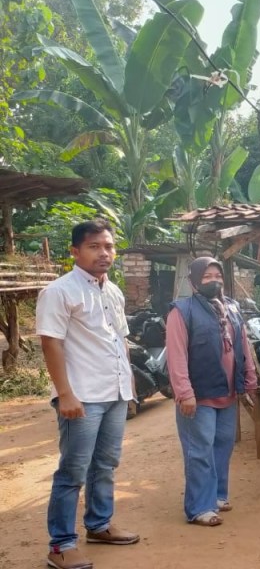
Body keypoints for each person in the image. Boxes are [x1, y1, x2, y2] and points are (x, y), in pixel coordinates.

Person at [36, 219, 139, 569]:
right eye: (94, 246)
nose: (104, 253)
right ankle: (61, 545)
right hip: (82, 396)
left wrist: (130, 386)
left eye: (109, 246)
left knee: (106, 464)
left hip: (115, 392)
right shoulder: (59, 291)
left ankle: (99, 524)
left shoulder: (114, 291)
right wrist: (65, 394)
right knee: (73, 471)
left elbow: (121, 340)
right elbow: (51, 342)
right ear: (75, 251)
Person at [166, 257, 258, 526]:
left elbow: (243, 344)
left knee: (222, 445)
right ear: (194, 281)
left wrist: (249, 378)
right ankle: (199, 507)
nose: (214, 281)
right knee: (199, 450)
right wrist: (185, 393)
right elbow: (176, 355)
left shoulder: (231, 308)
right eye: (207, 277)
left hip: (227, 392)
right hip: (199, 394)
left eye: (217, 276)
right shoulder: (181, 311)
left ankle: (217, 495)